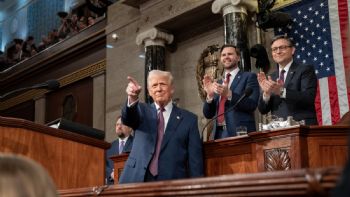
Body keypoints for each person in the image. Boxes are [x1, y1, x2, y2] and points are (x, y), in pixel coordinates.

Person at [119, 70, 204, 183]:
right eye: (154, 85)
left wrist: (198, 188)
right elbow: (128, 118)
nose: (158, 89)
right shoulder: (141, 110)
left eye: (162, 84)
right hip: (137, 178)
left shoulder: (189, 120)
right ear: (149, 91)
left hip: (172, 183)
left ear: (172, 89)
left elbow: (195, 161)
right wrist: (133, 98)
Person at [257, 35, 318, 125]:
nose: (278, 51)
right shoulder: (271, 77)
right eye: (274, 49)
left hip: (302, 126)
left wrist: (281, 91)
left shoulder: (305, 69)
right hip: (279, 130)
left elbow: (308, 98)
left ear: (292, 50)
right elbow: (263, 110)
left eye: (282, 48)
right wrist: (266, 94)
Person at [202, 44, 260, 139]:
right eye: (223, 55)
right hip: (219, 134)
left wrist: (229, 94)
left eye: (230, 54)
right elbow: (208, 114)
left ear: (238, 58)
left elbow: (252, 104)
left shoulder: (249, 77)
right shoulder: (218, 83)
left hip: (240, 133)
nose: (226, 57)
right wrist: (210, 96)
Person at [105, 115, 133, 184]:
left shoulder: (136, 144)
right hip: (112, 186)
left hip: (129, 185)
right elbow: (105, 165)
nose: (119, 127)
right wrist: (111, 174)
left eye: (122, 124)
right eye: (117, 125)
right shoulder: (109, 146)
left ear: (130, 128)